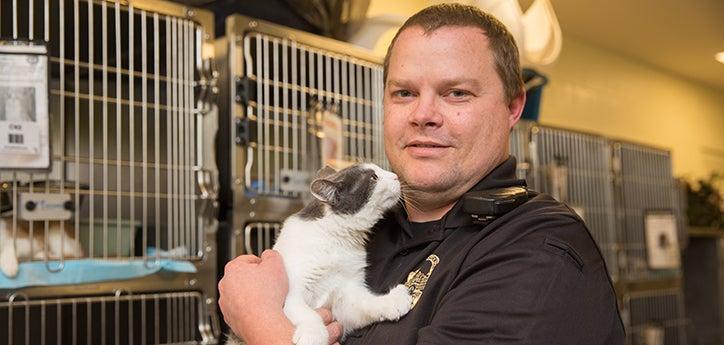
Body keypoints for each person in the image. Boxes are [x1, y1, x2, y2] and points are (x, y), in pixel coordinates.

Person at [218, 3, 625, 345]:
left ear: (513, 107)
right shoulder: (365, 231)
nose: (423, 115)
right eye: (404, 93)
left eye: (456, 93)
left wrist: (260, 322)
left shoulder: (540, 252)